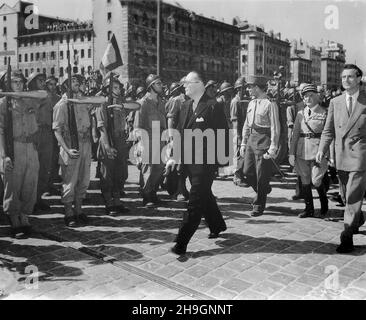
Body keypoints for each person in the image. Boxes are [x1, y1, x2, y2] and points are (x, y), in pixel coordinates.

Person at [169, 71, 228, 255]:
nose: (184, 86)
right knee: (205, 195)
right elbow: (179, 133)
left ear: (199, 84)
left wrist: (221, 162)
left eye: (187, 83)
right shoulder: (185, 105)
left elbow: (223, 135)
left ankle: (181, 242)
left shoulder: (212, 106)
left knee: (195, 201)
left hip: (205, 164)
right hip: (188, 161)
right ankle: (217, 225)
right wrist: (173, 156)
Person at [316, 64, 366, 254]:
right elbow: (328, 130)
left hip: (360, 155)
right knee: (346, 196)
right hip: (340, 156)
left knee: (353, 195)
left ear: (359, 78)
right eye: (343, 77)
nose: (346, 80)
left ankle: (347, 235)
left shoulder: (365, 100)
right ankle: (357, 217)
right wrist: (322, 149)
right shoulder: (335, 102)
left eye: (350, 77)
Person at [0, 70, 41, 238]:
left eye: (20, 82)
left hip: (30, 145)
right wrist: (4, 155)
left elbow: (44, 94)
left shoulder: (29, 98)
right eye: (14, 82)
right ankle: (14, 219)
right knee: (13, 183)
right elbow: (0, 130)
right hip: (13, 146)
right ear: (6, 84)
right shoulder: (3, 103)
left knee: (30, 181)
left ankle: (25, 215)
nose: (18, 84)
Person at [53, 74, 94, 227]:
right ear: (65, 85)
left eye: (79, 81)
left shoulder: (82, 101)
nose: (78, 83)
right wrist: (67, 149)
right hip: (70, 144)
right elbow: (57, 130)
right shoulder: (61, 105)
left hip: (85, 143)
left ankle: (79, 210)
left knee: (83, 179)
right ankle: (69, 213)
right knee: (70, 180)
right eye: (74, 81)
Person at [240, 76, 280, 217]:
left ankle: (259, 205)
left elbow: (275, 127)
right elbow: (246, 124)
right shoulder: (251, 103)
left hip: (264, 139)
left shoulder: (270, 104)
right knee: (246, 172)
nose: (248, 89)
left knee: (261, 175)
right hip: (252, 139)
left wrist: (273, 147)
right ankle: (264, 189)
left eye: (250, 87)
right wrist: (244, 142)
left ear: (257, 87)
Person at [289, 84, 329, 218]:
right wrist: (291, 153)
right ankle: (309, 209)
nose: (308, 98)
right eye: (305, 96)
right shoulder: (300, 114)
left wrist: (328, 153)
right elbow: (294, 135)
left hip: (318, 151)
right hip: (302, 151)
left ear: (318, 97)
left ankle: (324, 201)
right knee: (305, 180)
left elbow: (329, 135)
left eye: (312, 95)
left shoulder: (325, 113)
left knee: (316, 179)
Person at [95, 76, 130, 215]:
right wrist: (107, 146)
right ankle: (109, 202)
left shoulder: (120, 103)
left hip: (120, 140)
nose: (118, 90)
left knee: (120, 171)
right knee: (107, 172)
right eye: (114, 87)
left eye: (119, 87)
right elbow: (102, 128)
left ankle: (117, 200)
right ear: (107, 89)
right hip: (108, 140)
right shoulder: (102, 104)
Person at [134, 74, 166, 208]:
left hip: (160, 139)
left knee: (159, 168)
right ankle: (146, 196)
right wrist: (140, 144)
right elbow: (138, 126)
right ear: (151, 86)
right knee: (148, 169)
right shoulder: (143, 103)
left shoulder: (161, 102)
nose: (161, 86)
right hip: (148, 139)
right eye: (158, 83)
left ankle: (153, 192)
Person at [27, 72, 54, 212]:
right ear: (32, 83)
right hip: (34, 133)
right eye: (40, 81)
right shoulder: (29, 96)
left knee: (45, 168)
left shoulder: (48, 96)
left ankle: (38, 198)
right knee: (33, 168)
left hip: (47, 133)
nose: (43, 83)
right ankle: (29, 200)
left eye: (44, 80)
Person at [231, 77, 248, 187]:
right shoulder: (235, 101)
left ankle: (240, 175)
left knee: (242, 155)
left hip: (242, 131)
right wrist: (238, 135)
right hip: (237, 132)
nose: (245, 90)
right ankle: (237, 177)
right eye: (243, 88)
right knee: (237, 155)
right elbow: (235, 120)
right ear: (238, 89)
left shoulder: (243, 100)